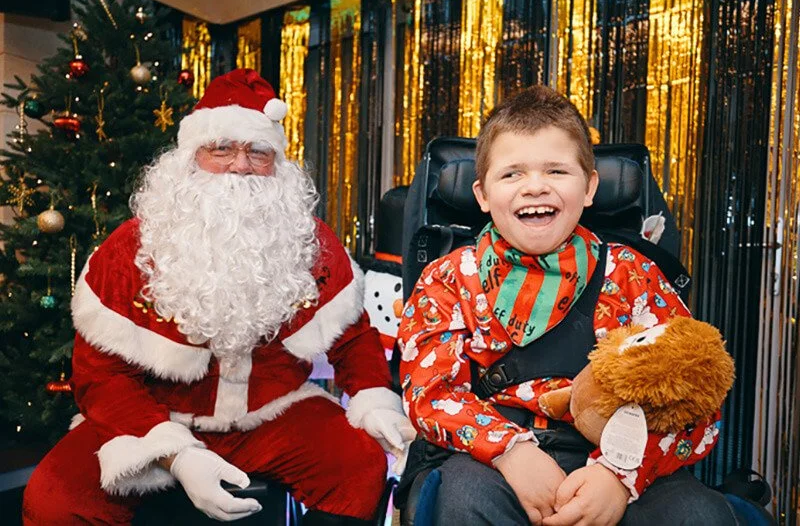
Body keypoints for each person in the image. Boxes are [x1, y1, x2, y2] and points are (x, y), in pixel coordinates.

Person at [23, 69, 415, 525]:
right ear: (191, 157)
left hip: (274, 415)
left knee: (360, 467)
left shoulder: (310, 243)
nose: (240, 165)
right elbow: (101, 376)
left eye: (258, 152)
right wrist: (177, 456)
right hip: (154, 414)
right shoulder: (131, 249)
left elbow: (352, 338)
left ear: (278, 164)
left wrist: (373, 400)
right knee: (53, 499)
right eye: (222, 148)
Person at [397, 86, 737, 525]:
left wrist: (619, 474)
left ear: (591, 186)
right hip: (495, 455)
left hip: (618, 452)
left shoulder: (632, 273)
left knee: (696, 513)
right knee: (461, 499)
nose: (535, 187)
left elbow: (698, 402)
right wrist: (509, 451)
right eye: (512, 174)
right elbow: (430, 394)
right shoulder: (447, 278)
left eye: (556, 171)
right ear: (482, 195)